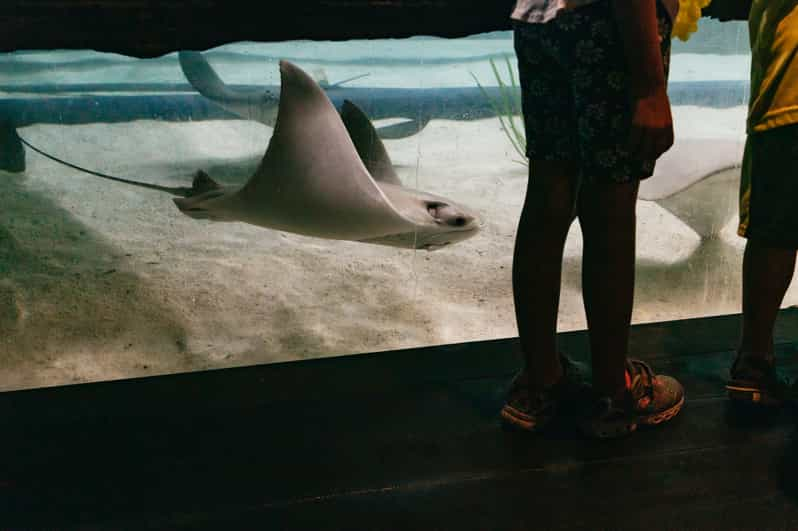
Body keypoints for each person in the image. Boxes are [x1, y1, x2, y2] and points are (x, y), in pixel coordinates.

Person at [500, 0, 685, 438]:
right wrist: (649, 87)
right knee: (612, 209)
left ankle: (540, 383)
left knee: (547, 195)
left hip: (539, 20)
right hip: (612, 24)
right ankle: (612, 393)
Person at [720, 0, 798, 407]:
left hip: (784, 94)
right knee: (775, 233)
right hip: (788, 91)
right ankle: (753, 362)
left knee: (774, 232)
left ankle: (753, 363)